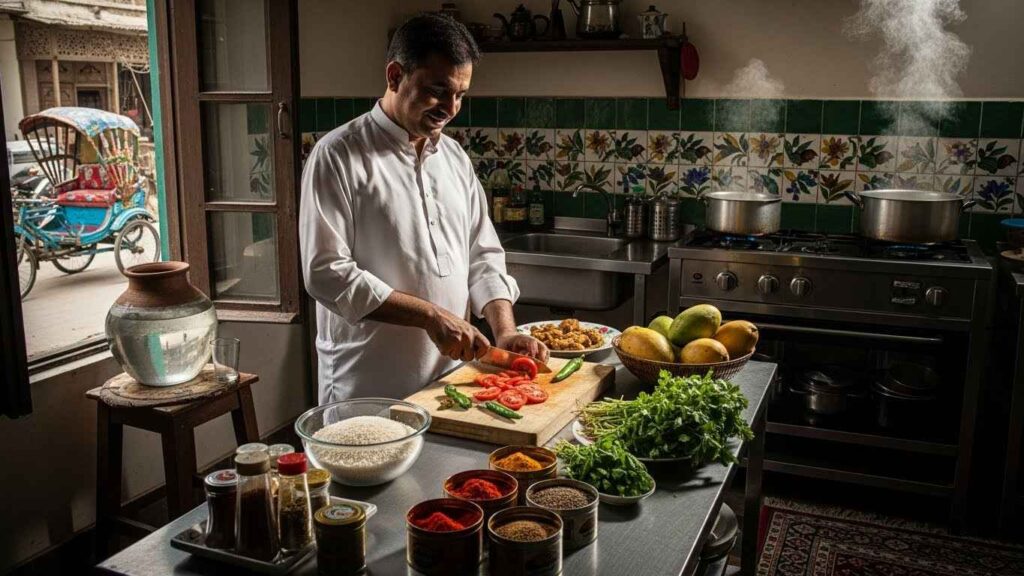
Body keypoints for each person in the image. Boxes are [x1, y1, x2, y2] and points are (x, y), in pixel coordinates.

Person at [300, 13, 548, 404]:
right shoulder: (337, 155)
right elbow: (326, 273)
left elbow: (483, 255)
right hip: (366, 387)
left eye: (460, 95)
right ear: (395, 75)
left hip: (450, 383)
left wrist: (505, 331)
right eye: (438, 91)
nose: (450, 107)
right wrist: (429, 315)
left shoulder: (454, 157)